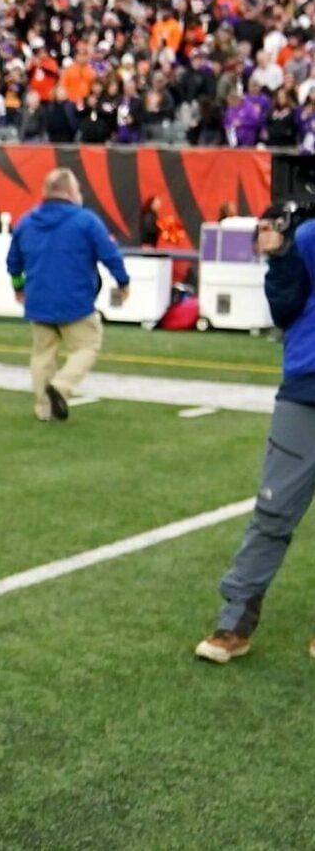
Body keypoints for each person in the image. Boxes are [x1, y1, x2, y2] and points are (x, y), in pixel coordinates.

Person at [197, 207, 315, 663]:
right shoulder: (307, 236)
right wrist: (281, 255)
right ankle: (235, 620)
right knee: (272, 511)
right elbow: (285, 310)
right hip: (306, 388)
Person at [5, 168, 131, 422]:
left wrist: (18, 288)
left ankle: (44, 409)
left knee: (42, 354)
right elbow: (109, 254)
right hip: (76, 301)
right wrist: (123, 281)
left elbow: (13, 262)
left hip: (38, 299)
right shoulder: (86, 221)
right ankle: (62, 386)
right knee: (87, 346)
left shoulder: (26, 222)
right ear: (71, 192)